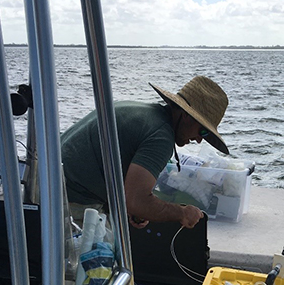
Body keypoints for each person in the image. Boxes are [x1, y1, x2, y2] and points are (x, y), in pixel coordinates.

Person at [60, 75, 229, 229]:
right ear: (186, 116)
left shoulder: (144, 113)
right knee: (103, 257)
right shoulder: (161, 136)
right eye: (203, 131)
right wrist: (183, 213)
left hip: (47, 183)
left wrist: (136, 207)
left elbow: (128, 196)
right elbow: (135, 201)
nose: (199, 139)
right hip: (69, 199)